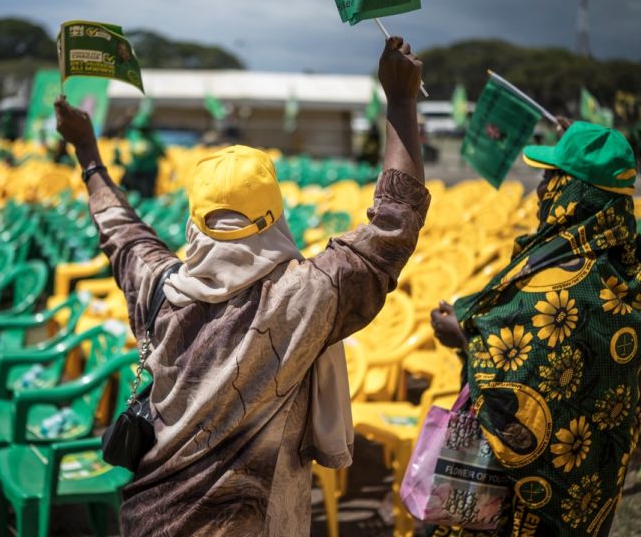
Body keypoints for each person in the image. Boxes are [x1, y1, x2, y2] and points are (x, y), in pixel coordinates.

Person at [55, 35, 428, 536]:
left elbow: (121, 231)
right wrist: (401, 101)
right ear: (275, 217)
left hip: (150, 520)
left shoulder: (160, 287)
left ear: (194, 223)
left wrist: (87, 154)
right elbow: (393, 223)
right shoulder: (306, 299)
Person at [429, 121, 641, 536]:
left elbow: (522, 380)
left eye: (549, 179)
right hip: (592, 480)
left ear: (572, 193)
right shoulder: (626, 272)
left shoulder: (564, 285)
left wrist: (464, 337)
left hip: (531, 498)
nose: (540, 190)